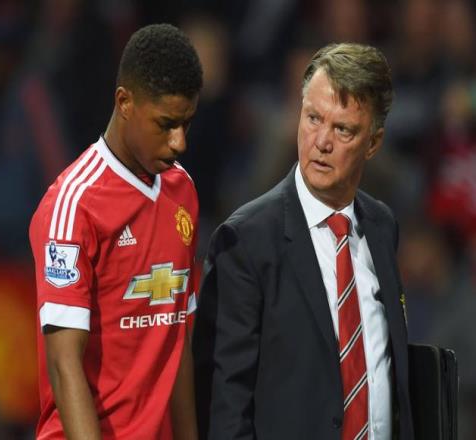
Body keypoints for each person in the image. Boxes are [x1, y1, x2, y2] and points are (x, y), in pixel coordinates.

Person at [193, 43, 415, 439]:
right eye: (313, 118)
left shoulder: (382, 226)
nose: (322, 141)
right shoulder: (244, 242)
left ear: (374, 142)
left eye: (343, 129)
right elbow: (226, 408)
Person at [29, 23, 203, 440]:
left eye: (186, 123)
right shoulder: (73, 206)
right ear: (124, 102)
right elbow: (64, 364)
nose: (179, 142)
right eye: (166, 124)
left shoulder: (183, 191)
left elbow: (177, 341)